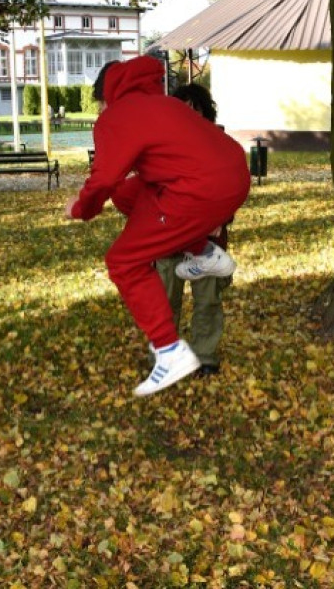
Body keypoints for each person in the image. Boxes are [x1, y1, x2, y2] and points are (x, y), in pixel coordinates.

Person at [64, 57, 250, 396]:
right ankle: (205, 252)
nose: (101, 109)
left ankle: (169, 350)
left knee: (123, 261)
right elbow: (120, 185)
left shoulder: (116, 117)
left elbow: (103, 177)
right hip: (234, 176)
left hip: (199, 191)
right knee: (126, 194)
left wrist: (81, 208)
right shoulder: (162, 105)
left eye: (100, 102)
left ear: (106, 96)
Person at [153, 83, 234, 376]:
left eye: (193, 110)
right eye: (181, 110)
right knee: (165, 302)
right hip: (170, 239)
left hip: (207, 240)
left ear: (204, 113)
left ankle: (205, 356)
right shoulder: (161, 149)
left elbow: (232, 188)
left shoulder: (221, 146)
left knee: (208, 301)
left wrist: (219, 220)